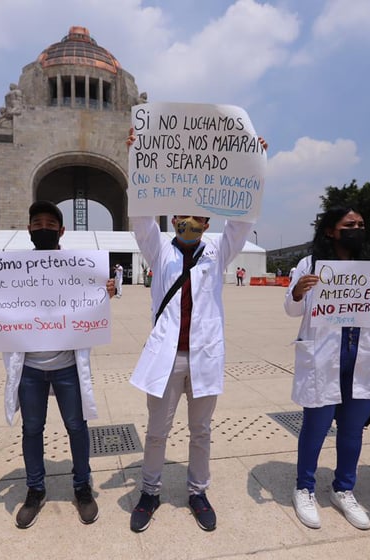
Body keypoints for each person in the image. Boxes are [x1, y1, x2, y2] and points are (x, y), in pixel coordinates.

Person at [125, 131, 266, 533]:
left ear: (208, 222)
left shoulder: (218, 251)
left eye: (200, 216)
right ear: (173, 219)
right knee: (157, 431)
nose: (192, 221)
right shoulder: (158, 249)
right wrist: (139, 157)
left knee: (202, 430)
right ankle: (149, 491)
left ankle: (197, 492)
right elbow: (140, 216)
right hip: (168, 358)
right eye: (185, 215)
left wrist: (251, 166)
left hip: (204, 354)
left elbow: (243, 220)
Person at [4, 201, 116, 528]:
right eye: (37, 222)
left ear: (62, 230)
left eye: (50, 224)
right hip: (30, 369)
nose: (43, 228)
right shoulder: (12, 269)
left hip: (68, 366)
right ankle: (35, 489)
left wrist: (104, 291)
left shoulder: (79, 267)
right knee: (32, 429)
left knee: (77, 426)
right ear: (28, 229)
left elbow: (94, 299)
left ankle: (82, 486)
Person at [284, 206, 370, 532]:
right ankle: (305, 488)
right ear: (330, 231)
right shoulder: (309, 265)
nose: (357, 228)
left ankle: (344, 489)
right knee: (316, 427)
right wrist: (298, 291)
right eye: (349, 224)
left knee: (353, 431)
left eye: (361, 223)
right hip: (322, 359)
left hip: (361, 359)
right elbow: (291, 308)